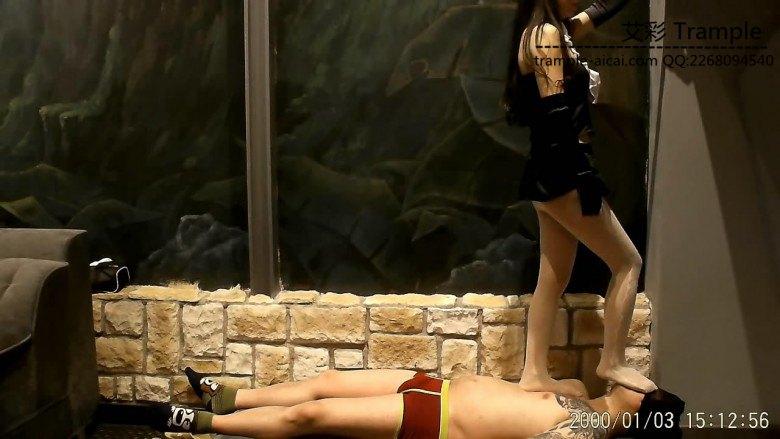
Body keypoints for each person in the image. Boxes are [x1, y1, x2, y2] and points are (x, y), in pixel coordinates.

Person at [501, 0, 656, 397]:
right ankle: (613, 360)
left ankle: (534, 372)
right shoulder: (547, 35)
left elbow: (599, 11)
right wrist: (582, 176)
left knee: (553, 276)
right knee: (627, 262)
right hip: (563, 173)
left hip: (551, 173)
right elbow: (555, 115)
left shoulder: (557, 30)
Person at [147, 367, 684, 438]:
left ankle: (200, 421)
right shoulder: (582, 396)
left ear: (642, 406)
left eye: (646, 384)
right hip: (434, 385)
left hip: (438, 420)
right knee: (325, 381)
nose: (638, 376)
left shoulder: (585, 433)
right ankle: (230, 395)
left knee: (312, 415)